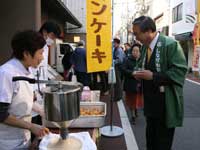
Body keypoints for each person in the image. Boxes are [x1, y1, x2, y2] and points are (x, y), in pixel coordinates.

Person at [132, 16, 188, 150]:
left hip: (165, 104)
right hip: (150, 103)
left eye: (136, 33)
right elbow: (140, 65)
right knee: (150, 140)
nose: (135, 37)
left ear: (149, 31)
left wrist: (153, 76)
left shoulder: (170, 44)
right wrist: (138, 73)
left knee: (163, 143)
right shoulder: (145, 47)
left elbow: (179, 72)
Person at [0, 30, 49, 150]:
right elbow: (1, 114)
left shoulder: (27, 70)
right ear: (26, 53)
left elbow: (26, 100)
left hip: (23, 138)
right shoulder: (6, 73)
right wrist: (31, 126)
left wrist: (44, 112)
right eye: (40, 53)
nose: (42, 58)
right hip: (7, 143)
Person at [30, 21, 61, 129]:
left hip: (40, 89)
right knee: (32, 120)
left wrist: (55, 78)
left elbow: (44, 67)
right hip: (32, 91)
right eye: (52, 36)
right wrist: (32, 92)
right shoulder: (33, 45)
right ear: (44, 32)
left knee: (40, 121)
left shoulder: (46, 47)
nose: (52, 39)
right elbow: (30, 71)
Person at [122, 43, 143, 124]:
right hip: (130, 84)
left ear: (140, 52)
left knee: (137, 100)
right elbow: (123, 70)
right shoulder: (127, 59)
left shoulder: (142, 60)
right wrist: (132, 73)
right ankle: (133, 116)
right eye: (134, 51)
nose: (135, 52)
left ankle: (136, 110)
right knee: (131, 101)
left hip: (139, 84)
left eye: (137, 51)